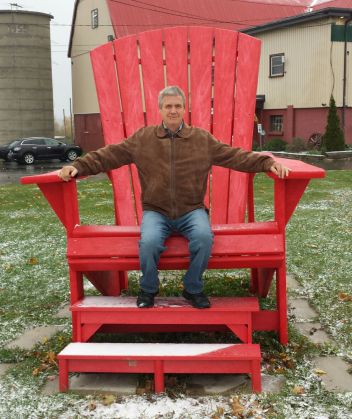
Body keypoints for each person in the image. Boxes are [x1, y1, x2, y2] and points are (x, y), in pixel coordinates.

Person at [59, 86, 289, 309]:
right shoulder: (144, 139)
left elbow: (234, 156)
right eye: (168, 106)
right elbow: (110, 155)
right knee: (148, 243)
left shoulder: (201, 140)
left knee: (204, 238)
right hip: (156, 210)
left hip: (191, 209)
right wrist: (79, 166)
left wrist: (266, 162)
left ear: (184, 109)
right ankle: (148, 289)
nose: (173, 110)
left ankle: (193, 287)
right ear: (160, 109)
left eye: (177, 106)